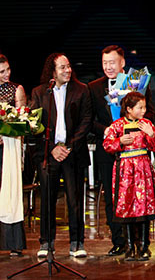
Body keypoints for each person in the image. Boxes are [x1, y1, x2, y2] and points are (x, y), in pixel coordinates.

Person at [88, 45, 155, 256]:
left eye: (112, 62)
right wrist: (110, 132)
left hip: (137, 154)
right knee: (113, 198)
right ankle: (120, 241)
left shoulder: (137, 83)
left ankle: (141, 244)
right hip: (109, 153)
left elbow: (149, 112)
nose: (108, 67)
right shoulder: (94, 87)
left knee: (140, 198)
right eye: (105, 63)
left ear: (123, 63)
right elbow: (90, 119)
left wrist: (139, 126)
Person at [30, 53, 92, 258]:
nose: (68, 70)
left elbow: (86, 120)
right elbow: (34, 124)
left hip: (73, 152)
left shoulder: (81, 89)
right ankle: (46, 242)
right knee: (47, 199)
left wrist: (68, 146)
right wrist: (52, 149)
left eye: (69, 66)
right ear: (53, 71)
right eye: (62, 67)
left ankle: (77, 242)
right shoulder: (40, 92)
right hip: (49, 153)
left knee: (75, 199)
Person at [102, 92, 155, 261]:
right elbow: (107, 145)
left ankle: (143, 246)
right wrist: (120, 142)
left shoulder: (146, 124)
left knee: (144, 206)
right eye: (139, 107)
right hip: (125, 169)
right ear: (128, 109)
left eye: (144, 107)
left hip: (143, 168)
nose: (143, 111)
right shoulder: (117, 126)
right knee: (126, 205)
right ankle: (129, 246)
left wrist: (151, 134)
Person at [0, 54, 28, 256]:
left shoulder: (16, 89)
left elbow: (22, 120)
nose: (6, 74)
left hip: (8, 147)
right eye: (2, 72)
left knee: (9, 192)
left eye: (8, 70)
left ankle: (12, 243)